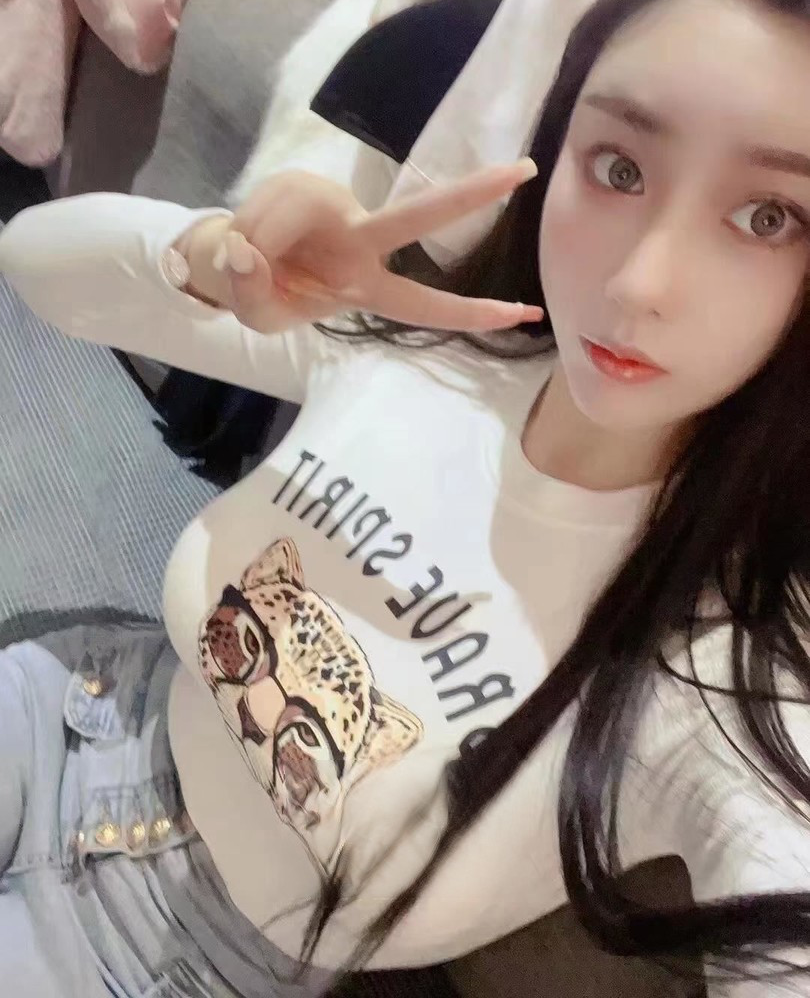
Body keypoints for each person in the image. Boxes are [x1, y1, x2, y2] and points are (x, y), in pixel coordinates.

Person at [2, 0, 810, 995]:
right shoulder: (438, 356)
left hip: (165, 961)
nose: (642, 282)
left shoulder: (721, 675)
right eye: (619, 168)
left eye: (767, 217)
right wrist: (213, 260)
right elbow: (33, 261)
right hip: (71, 707)